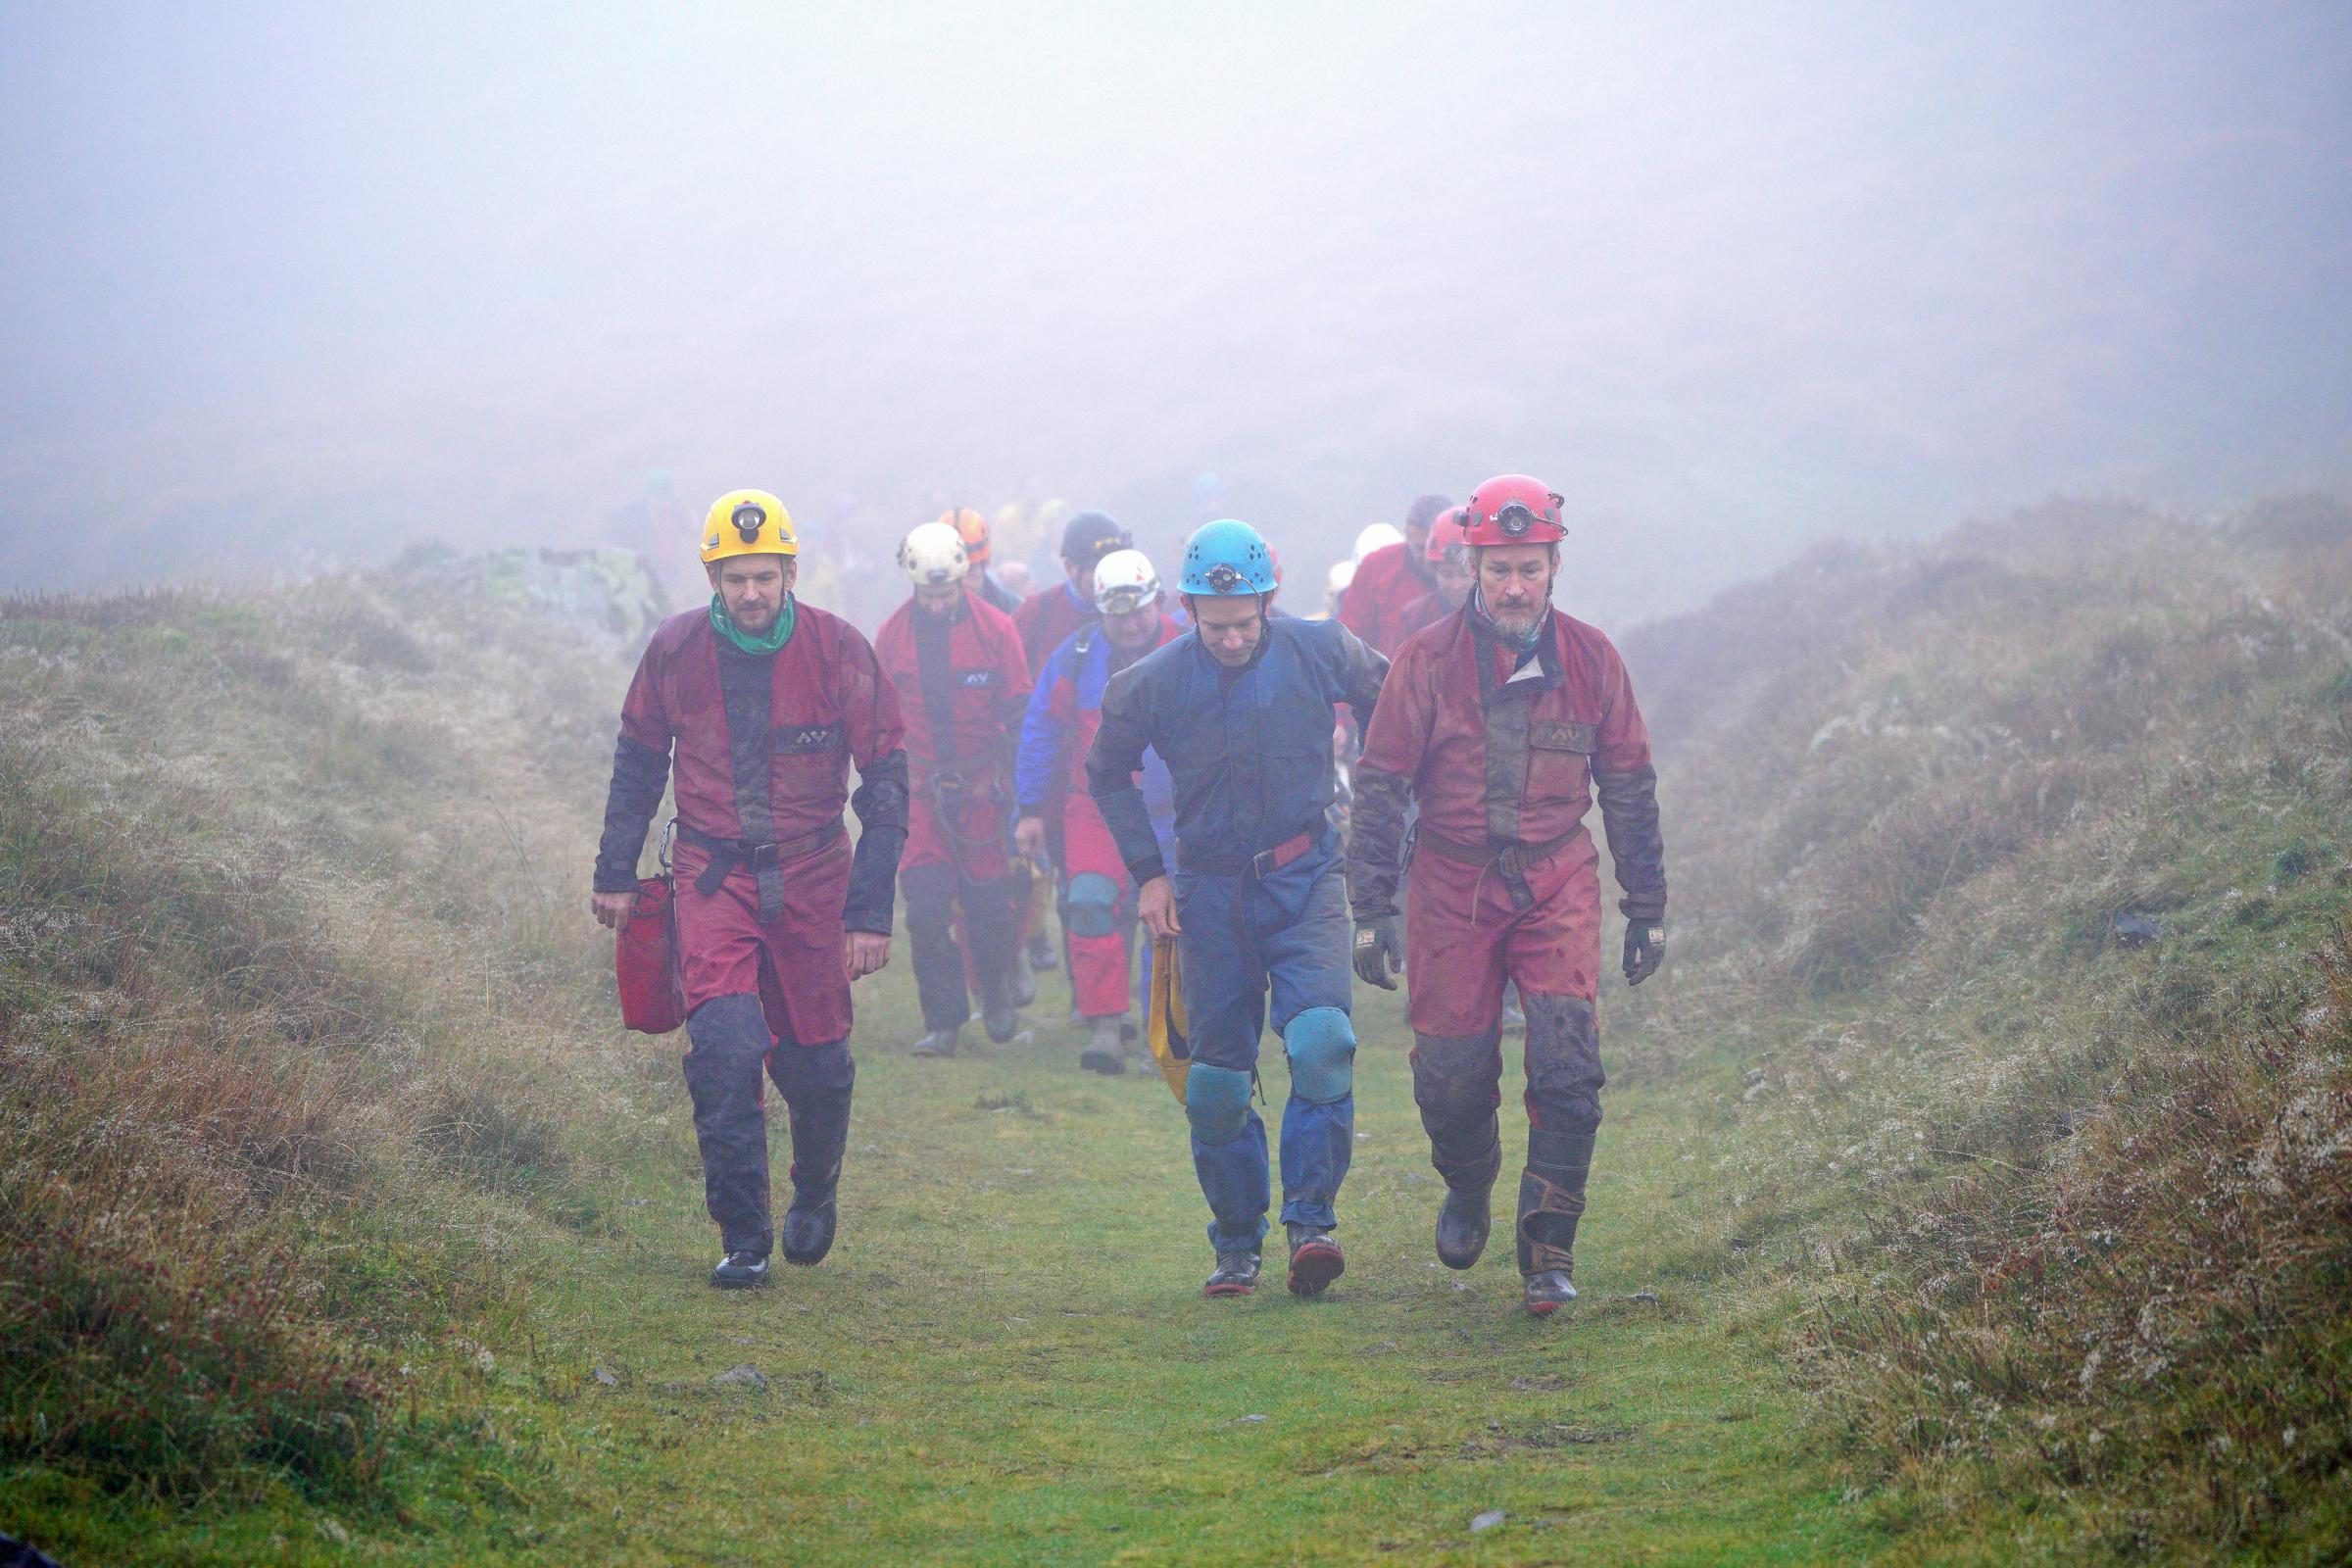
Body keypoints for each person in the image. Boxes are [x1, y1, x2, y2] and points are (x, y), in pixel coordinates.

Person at [1345, 474, 1667, 1317]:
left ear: (1555, 563)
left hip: (1557, 877)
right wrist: (1372, 908)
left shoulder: (1594, 660)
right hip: (1448, 883)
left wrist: (1648, 907)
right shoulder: (1424, 660)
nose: (1514, 586)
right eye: (1498, 571)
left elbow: (1628, 784)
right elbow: (1379, 784)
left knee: (1568, 1066)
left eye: (1529, 567)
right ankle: (1468, 1181)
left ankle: (1548, 1251)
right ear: (1472, 569)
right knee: (1449, 1078)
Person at [592, 490, 908, 1289]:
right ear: (712, 577)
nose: (751, 593)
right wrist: (614, 874)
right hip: (711, 876)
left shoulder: (841, 651)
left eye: (765, 576)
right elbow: (637, 762)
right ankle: (743, 1235)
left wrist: (871, 914)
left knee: (819, 1068)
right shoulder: (673, 650)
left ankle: (815, 1188)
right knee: (726, 1051)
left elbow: (889, 784)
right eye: (734, 579)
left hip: (816, 876)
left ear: (791, 572)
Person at [1086, 519, 1389, 1299]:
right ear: (1186, 607)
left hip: (1307, 877)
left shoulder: (1322, 649)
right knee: (1217, 1084)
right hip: (1207, 895)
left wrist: (1390, 810)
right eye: (1213, 625)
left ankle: (1312, 1224)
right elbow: (1106, 772)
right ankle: (1236, 1241)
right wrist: (1149, 874)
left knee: (1323, 1042)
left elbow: (1399, 705)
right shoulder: (1149, 682)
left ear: (1268, 602)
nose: (1228, 639)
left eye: (1243, 624)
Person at [1014, 549, 1181, 1073]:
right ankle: (1105, 1024)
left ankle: (1169, 1031)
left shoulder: (1190, 647)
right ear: (1100, 609)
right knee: (1088, 904)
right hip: (1097, 809)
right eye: (1118, 614)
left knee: (1174, 922)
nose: (1130, 624)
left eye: (1139, 611)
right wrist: (1029, 809)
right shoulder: (1075, 656)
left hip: (1178, 811)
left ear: (1157, 600)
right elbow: (1040, 730)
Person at [874, 520, 1033, 1057]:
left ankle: (995, 990)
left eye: (947, 594)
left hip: (980, 790)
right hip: (919, 793)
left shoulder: (997, 630)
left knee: (988, 905)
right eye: (930, 595)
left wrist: (1014, 782)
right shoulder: (892, 637)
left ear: (963, 581)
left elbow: (1018, 710)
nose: (939, 604)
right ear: (914, 587)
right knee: (925, 909)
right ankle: (942, 1021)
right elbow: (877, 721)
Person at [1011, 511, 1136, 987]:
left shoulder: (1141, 617)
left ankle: (1116, 999)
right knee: (1073, 884)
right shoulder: (1037, 614)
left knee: (1117, 886)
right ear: (1069, 568)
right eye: (1095, 567)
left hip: (1117, 776)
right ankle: (1088, 996)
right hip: (1054, 776)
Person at [1339, 495, 1452, 656]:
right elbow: (1350, 635)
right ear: (1407, 534)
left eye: (1436, 548)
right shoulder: (1378, 566)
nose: (1429, 557)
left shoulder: (1474, 571)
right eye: (1421, 548)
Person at [943, 508, 1022, 615]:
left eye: (971, 569)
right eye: (955, 573)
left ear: (985, 564)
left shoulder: (1012, 609)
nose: (963, 581)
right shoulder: (920, 616)